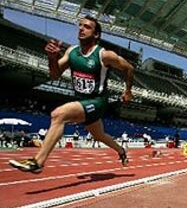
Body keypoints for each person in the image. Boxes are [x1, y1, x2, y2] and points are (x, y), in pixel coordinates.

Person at [9, 16, 134, 173]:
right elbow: (55, 74)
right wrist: (52, 58)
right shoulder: (72, 52)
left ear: (96, 35)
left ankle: (38, 162)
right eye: (80, 25)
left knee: (58, 114)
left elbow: (129, 68)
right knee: (99, 135)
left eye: (87, 27)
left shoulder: (104, 55)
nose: (81, 28)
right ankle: (121, 150)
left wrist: (128, 91)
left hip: (98, 102)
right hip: (82, 101)